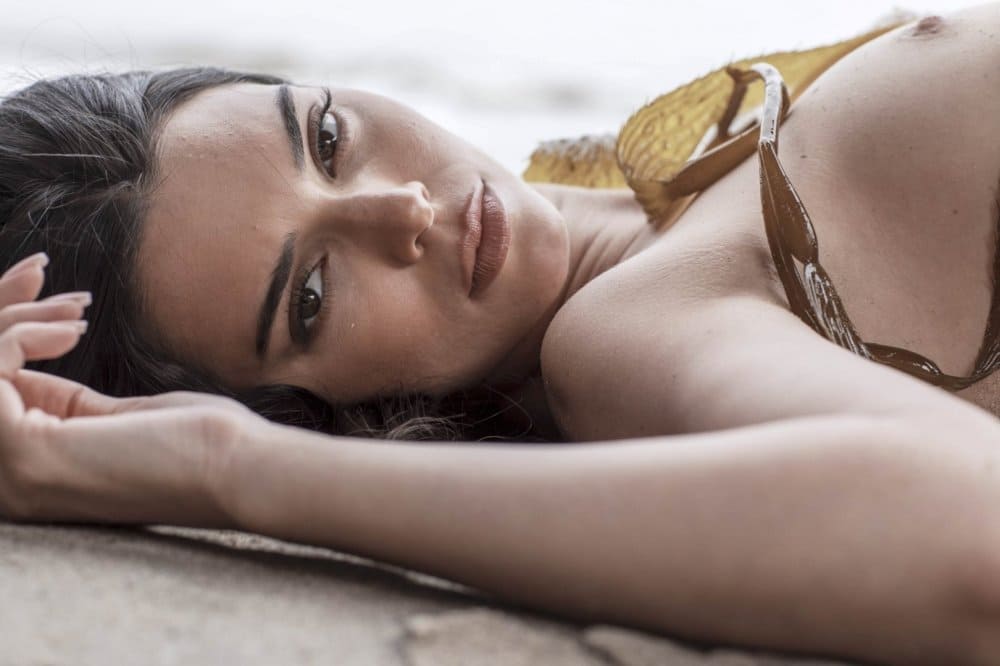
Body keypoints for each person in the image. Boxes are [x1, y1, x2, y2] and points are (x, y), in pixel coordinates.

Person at [2, 4, 1000, 663]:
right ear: (306, 411)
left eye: (326, 137)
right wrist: (228, 469)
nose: (402, 210)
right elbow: (974, 537)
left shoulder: (618, 206)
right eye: (310, 296)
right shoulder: (623, 331)